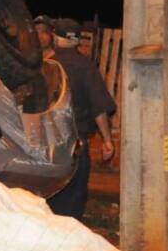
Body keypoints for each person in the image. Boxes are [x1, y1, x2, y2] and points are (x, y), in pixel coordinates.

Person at [47, 18, 116, 220]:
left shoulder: (47, 66)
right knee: (72, 200)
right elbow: (99, 108)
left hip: (46, 144)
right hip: (75, 146)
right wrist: (107, 140)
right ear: (77, 41)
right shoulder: (86, 67)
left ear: (55, 38)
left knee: (47, 198)